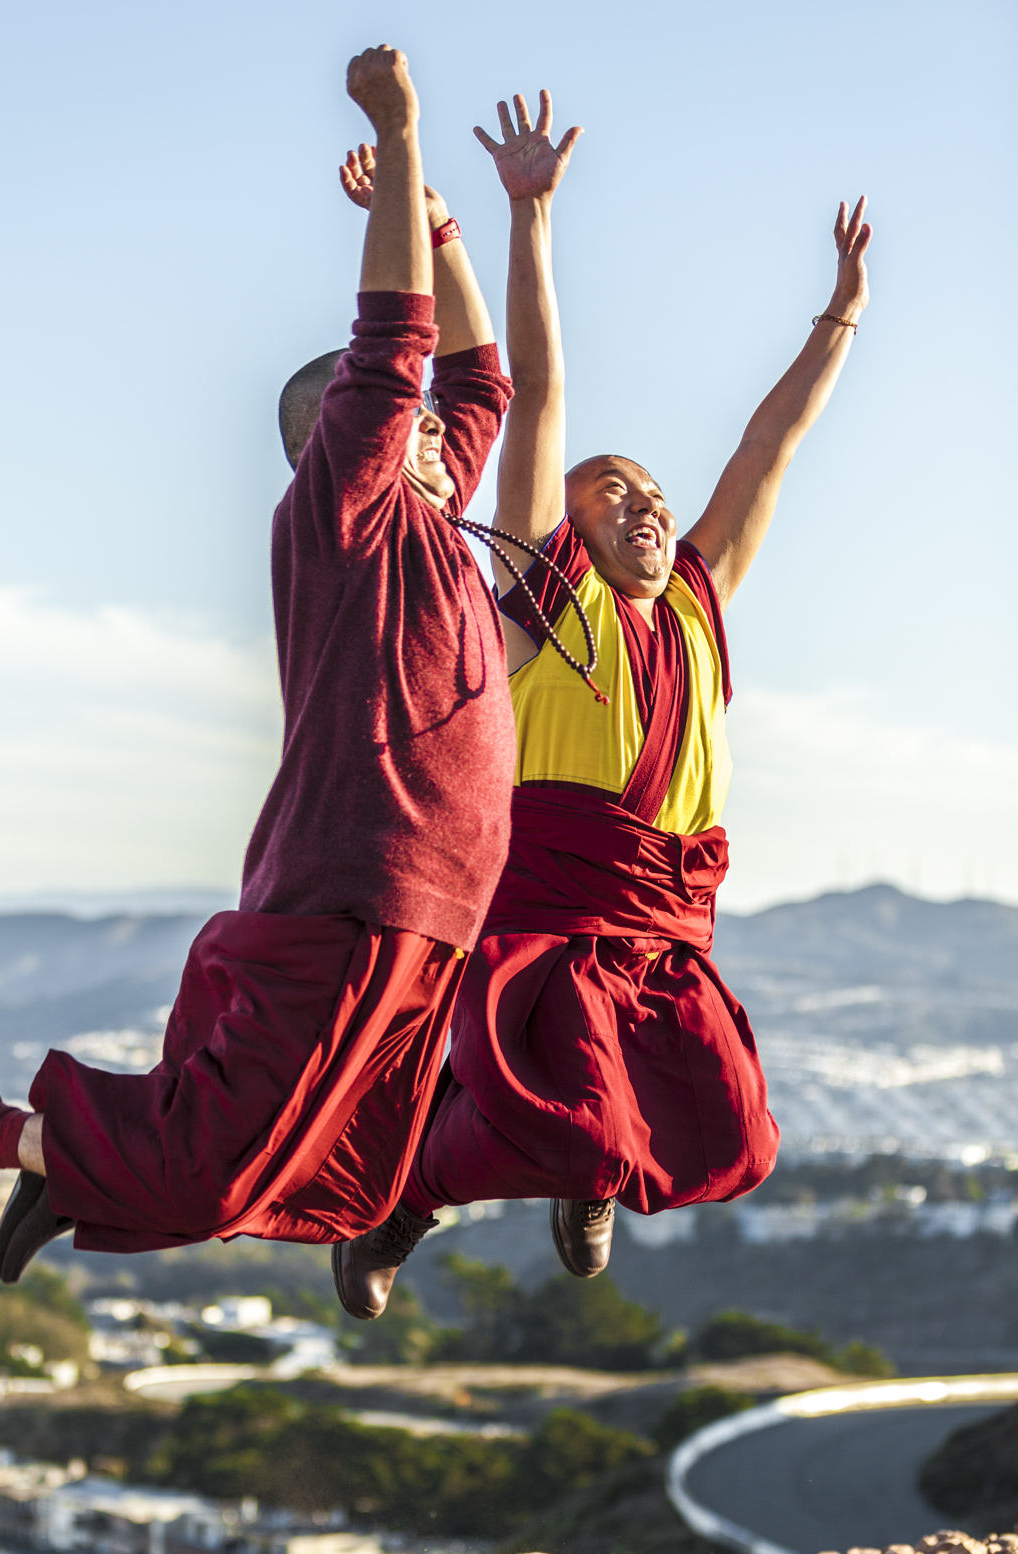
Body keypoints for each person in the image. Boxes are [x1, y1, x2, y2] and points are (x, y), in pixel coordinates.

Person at [0, 45, 516, 1282]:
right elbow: (403, 345)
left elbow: (483, 377)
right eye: (395, 418)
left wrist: (440, 221)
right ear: (338, 439)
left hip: (439, 911)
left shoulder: (435, 507)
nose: (430, 429)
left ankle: (66, 1164)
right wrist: (403, 132)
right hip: (361, 884)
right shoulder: (346, 517)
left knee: (349, 1178)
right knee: (216, 1166)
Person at [332, 88, 872, 1319]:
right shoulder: (540, 591)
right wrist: (528, 221)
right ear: (560, 523)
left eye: (650, 489)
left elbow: (765, 450)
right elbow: (542, 393)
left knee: (736, 1144)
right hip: (557, 918)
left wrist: (837, 318)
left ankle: (582, 1177)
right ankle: (406, 1195)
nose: (642, 501)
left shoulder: (695, 600)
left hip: (673, 922)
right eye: (608, 488)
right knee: (579, 1128)